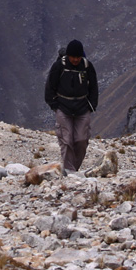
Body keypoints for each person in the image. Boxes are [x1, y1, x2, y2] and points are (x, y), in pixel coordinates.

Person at [44, 39, 99, 172]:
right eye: (73, 57)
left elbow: (93, 87)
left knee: (81, 139)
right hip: (63, 107)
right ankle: (70, 171)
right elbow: (50, 85)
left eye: (78, 57)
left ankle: (73, 169)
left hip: (82, 108)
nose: (75, 60)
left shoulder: (87, 66)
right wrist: (54, 104)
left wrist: (91, 105)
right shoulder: (59, 66)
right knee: (66, 139)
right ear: (68, 55)